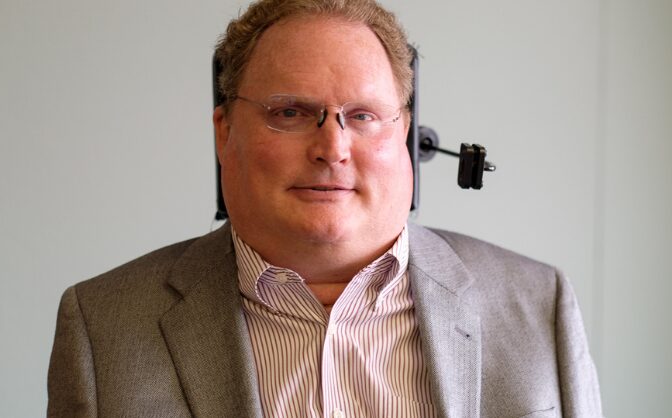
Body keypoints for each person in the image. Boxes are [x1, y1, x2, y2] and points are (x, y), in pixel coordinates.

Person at [47, 0, 602, 417]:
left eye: (362, 115)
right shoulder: (103, 328)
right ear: (225, 133)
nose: (332, 148)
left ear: (405, 135)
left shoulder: (539, 306)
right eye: (289, 112)